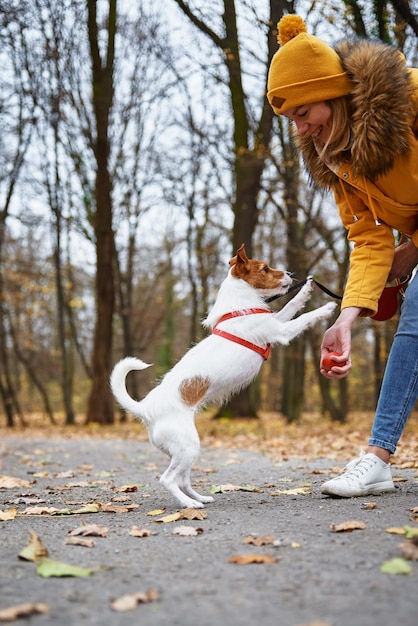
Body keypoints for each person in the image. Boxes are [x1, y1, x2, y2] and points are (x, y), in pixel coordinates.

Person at [267, 14, 418, 497]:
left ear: (328, 90)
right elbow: (369, 241)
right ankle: (378, 460)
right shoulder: (339, 162)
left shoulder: (410, 100)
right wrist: (347, 321)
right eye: (291, 119)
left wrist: (413, 249)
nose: (300, 127)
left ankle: (377, 454)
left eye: (301, 112)